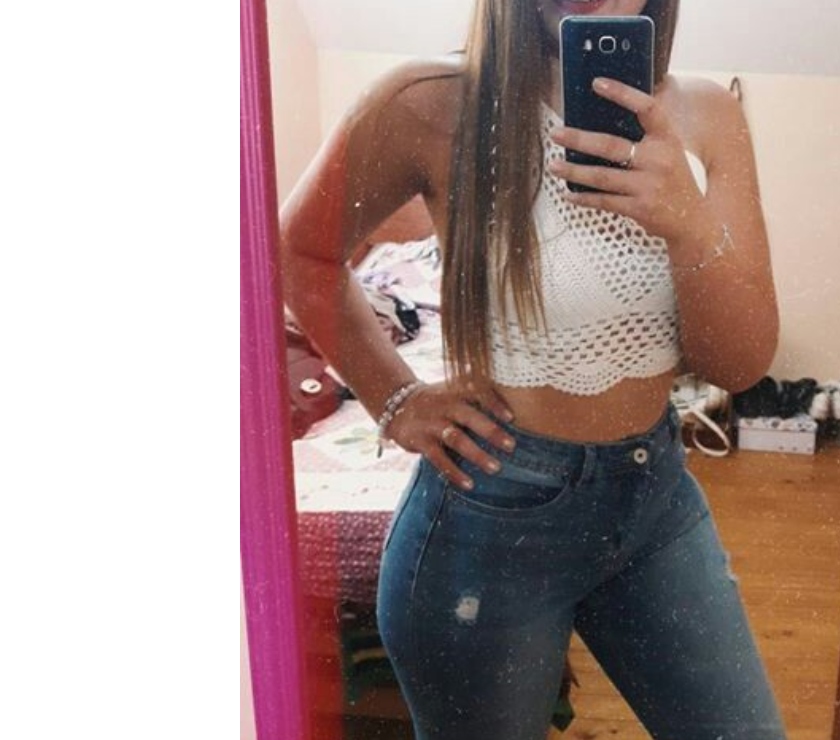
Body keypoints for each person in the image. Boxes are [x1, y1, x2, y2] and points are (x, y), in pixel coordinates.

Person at [280, 1, 786, 737]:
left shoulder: (710, 116)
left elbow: (737, 365)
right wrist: (395, 399)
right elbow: (298, 250)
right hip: (488, 517)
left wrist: (688, 224)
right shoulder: (425, 103)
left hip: (656, 503)